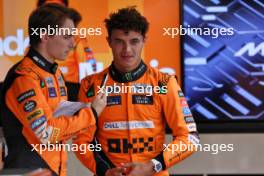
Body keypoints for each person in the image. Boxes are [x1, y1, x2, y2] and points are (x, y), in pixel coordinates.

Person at [74, 7, 199, 176]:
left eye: (134, 41)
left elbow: (190, 138)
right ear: (109, 41)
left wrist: (153, 166)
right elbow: (81, 142)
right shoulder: (90, 86)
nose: (127, 50)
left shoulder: (164, 83)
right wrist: (105, 171)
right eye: (119, 41)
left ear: (144, 40)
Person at [0, 4, 106, 176]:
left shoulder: (54, 72)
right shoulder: (24, 77)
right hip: (27, 171)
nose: (73, 44)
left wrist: (82, 110)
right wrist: (91, 115)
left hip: (53, 169)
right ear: (44, 35)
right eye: (66, 36)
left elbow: (58, 122)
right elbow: (47, 133)